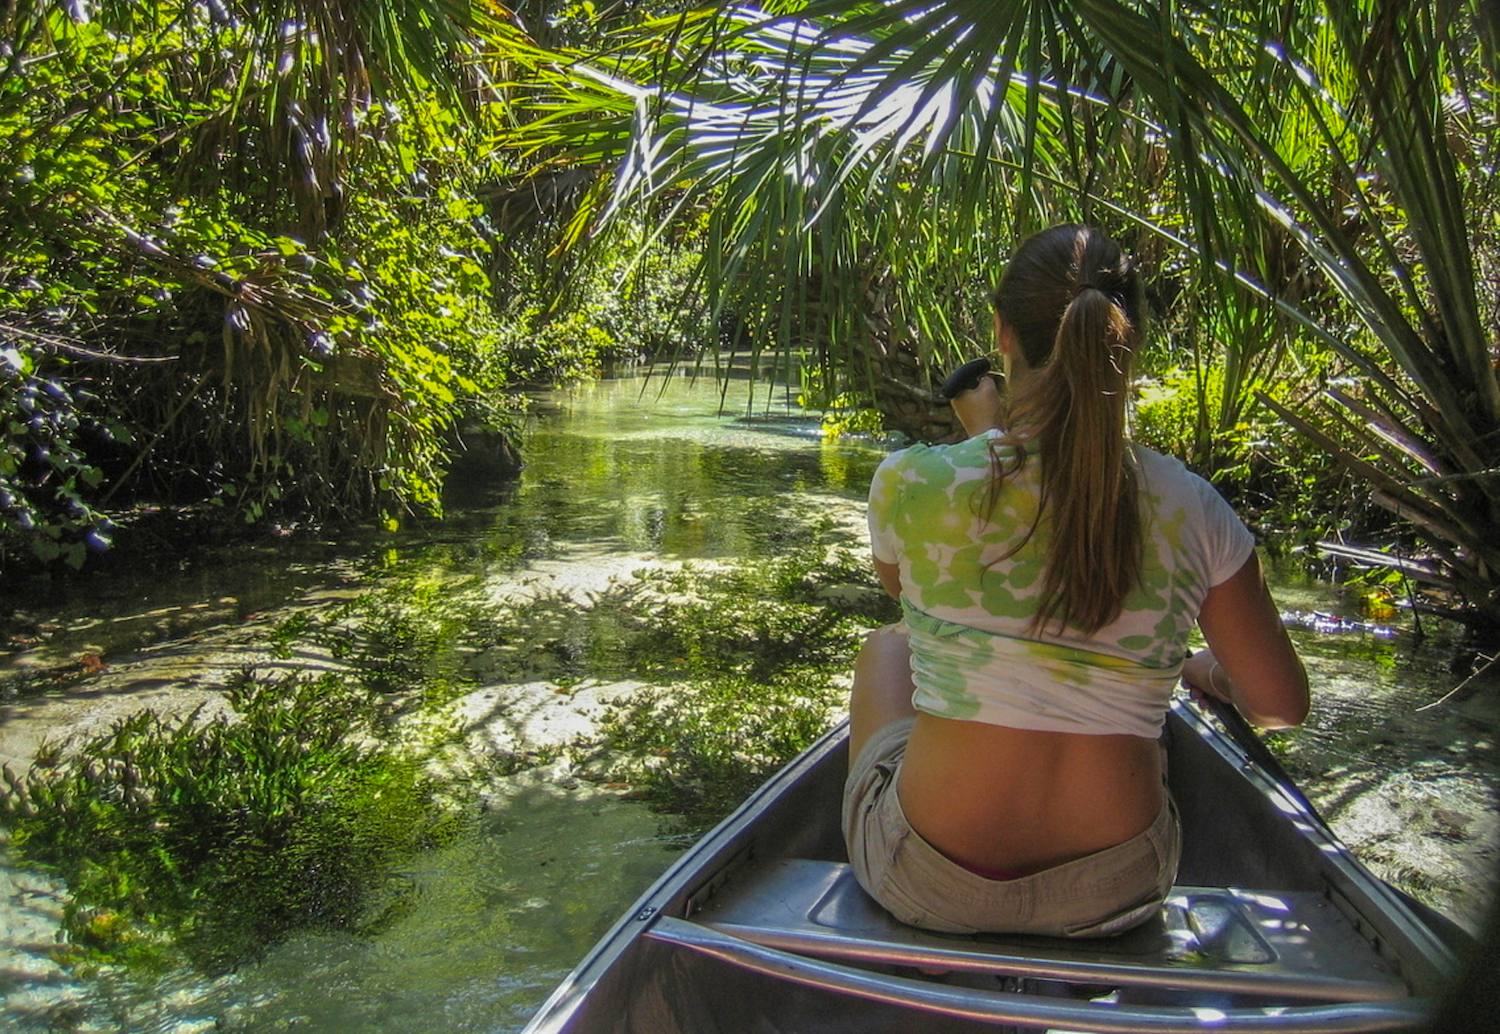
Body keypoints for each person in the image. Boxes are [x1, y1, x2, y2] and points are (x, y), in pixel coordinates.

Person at [843, 224, 1308, 937]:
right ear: (1131, 337)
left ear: (1001, 332)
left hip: (927, 878)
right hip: (1115, 890)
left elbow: (913, 600)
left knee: (889, 647)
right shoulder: (1192, 505)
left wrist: (986, 443)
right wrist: (1206, 674)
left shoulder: (912, 482)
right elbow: (1281, 706)